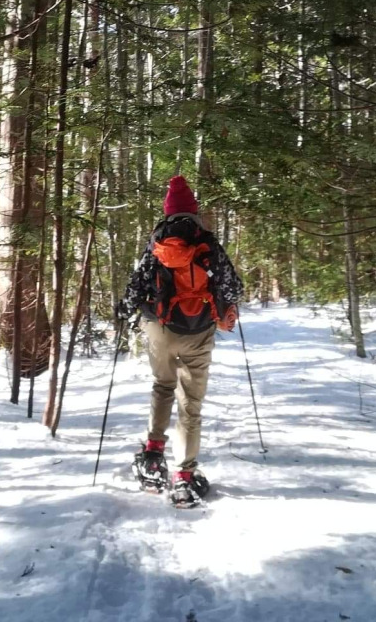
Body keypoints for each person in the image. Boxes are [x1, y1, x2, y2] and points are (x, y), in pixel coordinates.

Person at [118, 175, 244, 508]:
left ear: (168, 211)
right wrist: (224, 307)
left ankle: (153, 457)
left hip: (160, 328)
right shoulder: (207, 242)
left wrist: (124, 310)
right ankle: (184, 479)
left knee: (162, 386)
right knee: (190, 404)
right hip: (198, 329)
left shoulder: (156, 242)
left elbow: (136, 285)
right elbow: (232, 286)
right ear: (194, 211)